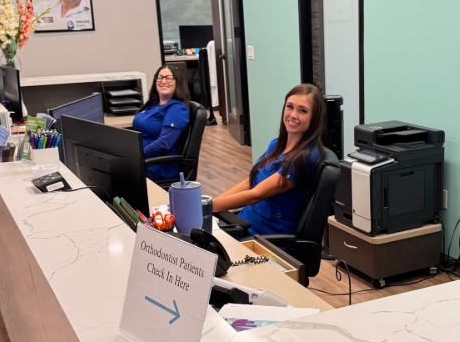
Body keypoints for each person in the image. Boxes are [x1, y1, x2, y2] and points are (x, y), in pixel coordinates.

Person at [212, 84, 326, 235]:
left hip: (265, 237)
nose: (293, 115)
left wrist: (205, 207)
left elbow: (256, 194)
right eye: (290, 107)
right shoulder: (276, 144)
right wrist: (207, 204)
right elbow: (250, 182)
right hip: (244, 222)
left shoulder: (305, 159)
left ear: (314, 117)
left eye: (303, 111)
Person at [132, 66, 191, 181]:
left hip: (158, 166)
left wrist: (137, 156)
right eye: (160, 78)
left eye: (169, 78)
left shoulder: (177, 108)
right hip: (142, 160)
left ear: (177, 82)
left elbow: (164, 143)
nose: (163, 81)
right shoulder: (152, 105)